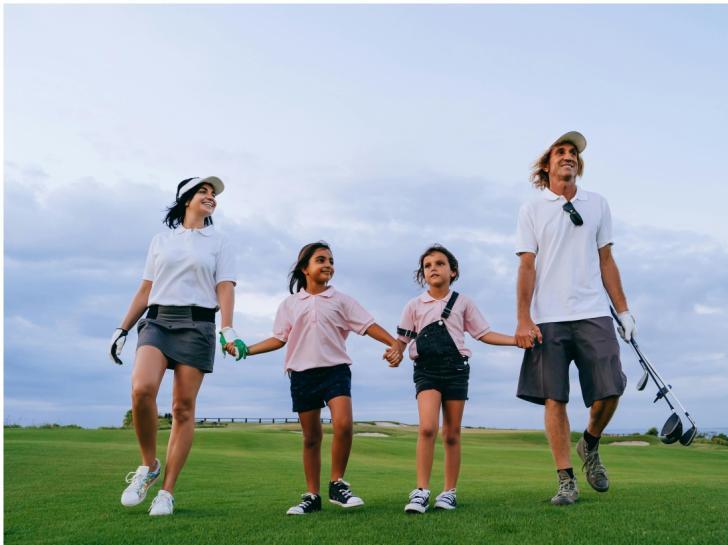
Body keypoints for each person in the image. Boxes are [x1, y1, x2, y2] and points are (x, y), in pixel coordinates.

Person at [225, 241, 401, 515]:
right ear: (304, 268)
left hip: (335, 370)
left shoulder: (342, 300)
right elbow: (279, 338)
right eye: (321, 259)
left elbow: (367, 326)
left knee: (343, 424)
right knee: (311, 437)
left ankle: (337, 483)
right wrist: (246, 350)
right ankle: (312, 496)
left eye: (331, 260)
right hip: (301, 374)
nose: (328, 264)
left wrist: (394, 343)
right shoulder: (290, 304)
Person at [109, 176, 245, 516]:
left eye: (214, 194)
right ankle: (148, 466)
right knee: (142, 389)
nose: (210, 197)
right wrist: (122, 328)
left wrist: (227, 328)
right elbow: (145, 288)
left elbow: (225, 287)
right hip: (157, 321)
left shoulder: (220, 242)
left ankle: (166, 492)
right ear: (186, 199)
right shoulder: (161, 240)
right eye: (204, 191)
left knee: (183, 408)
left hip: (198, 324)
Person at [514, 131, 636, 506]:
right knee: (555, 398)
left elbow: (607, 260)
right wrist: (523, 318)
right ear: (547, 165)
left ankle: (591, 444)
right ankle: (566, 480)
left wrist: (625, 310)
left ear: (578, 165)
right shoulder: (532, 209)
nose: (568, 156)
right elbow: (527, 265)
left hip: (594, 311)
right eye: (561, 152)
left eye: (573, 153)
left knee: (611, 387)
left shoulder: (597, 203)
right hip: (549, 317)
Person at [389, 244, 516, 514]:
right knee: (427, 428)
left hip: (456, 369)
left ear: (453, 271)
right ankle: (421, 491)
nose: (433, 268)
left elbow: (484, 333)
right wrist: (395, 353)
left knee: (451, 433)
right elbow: (401, 340)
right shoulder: (414, 305)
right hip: (426, 370)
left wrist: (516, 341)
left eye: (439, 263)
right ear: (423, 275)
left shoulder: (464, 302)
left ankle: (449, 492)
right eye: (427, 265)